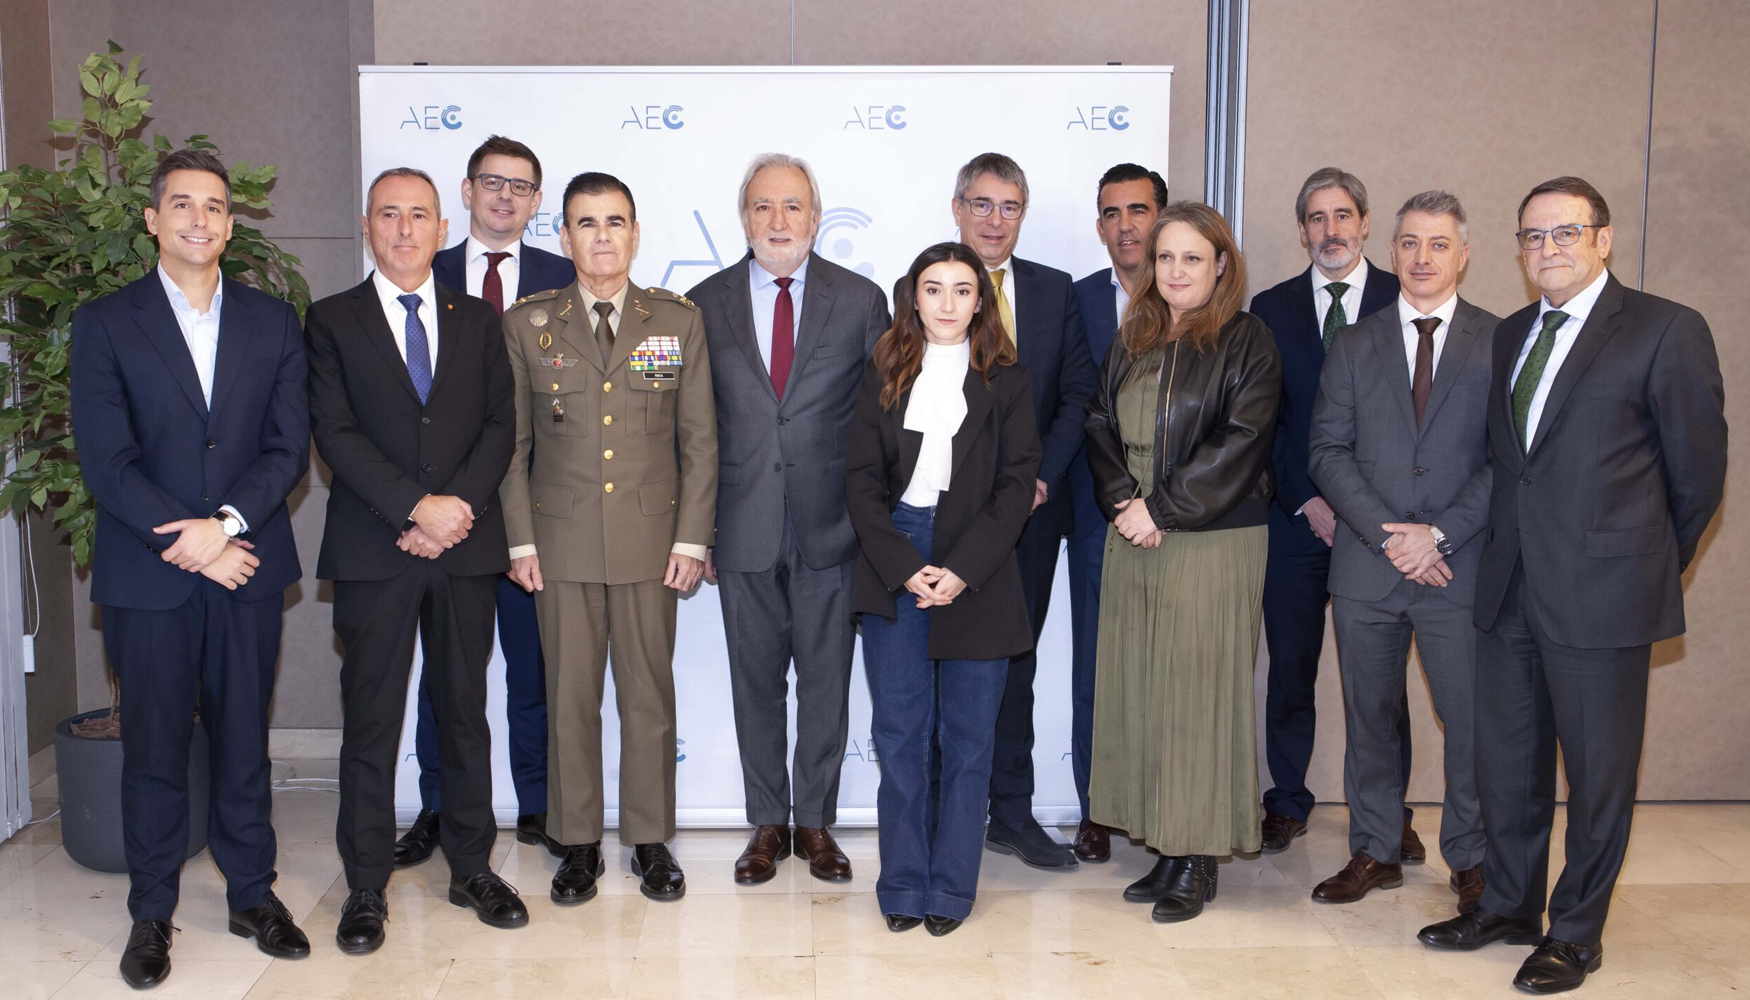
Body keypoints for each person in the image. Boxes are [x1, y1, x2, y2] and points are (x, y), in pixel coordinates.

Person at [1418, 177, 1727, 995]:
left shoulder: (1664, 329)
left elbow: (1698, 474)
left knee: (1597, 776)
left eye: (1564, 233)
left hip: (1604, 593)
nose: (1546, 249)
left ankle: (1577, 932)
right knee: (1508, 766)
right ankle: (1510, 908)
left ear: (1604, 239)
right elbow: (1507, 462)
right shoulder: (1515, 331)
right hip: (1509, 586)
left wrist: (1643, 559)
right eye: (1531, 236)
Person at [71, 149, 312, 988]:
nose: (199, 220)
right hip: (151, 575)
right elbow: (107, 462)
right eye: (181, 205)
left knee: (245, 741)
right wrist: (190, 541)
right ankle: (150, 913)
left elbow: (287, 449)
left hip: (243, 563)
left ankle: (253, 895)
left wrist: (225, 528)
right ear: (152, 220)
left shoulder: (273, 322)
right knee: (155, 750)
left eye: (214, 207)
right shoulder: (105, 322)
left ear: (230, 224)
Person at [306, 167, 526, 954]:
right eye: (389, 215)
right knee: (372, 720)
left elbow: (501, 425)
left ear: (443, 227)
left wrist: (452, 512)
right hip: (376, 548)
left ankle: (472, 866)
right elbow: (334, 433)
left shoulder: (478, 319)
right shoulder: (331, 320)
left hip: (463, 548)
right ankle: (365, 884)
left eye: (419, 216)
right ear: (367, 226)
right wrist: (413, 509)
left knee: (464, 713)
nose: (404, 229)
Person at [499, 172, 717, 905]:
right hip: (558, 543)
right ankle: (578, 842)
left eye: (615, 222)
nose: (601, 236)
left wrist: (691, 539)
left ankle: (651, 841)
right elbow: (513, 446)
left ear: (634, 233)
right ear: (562, 237)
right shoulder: (528, 323)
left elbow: (701, 443)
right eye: (586, 223)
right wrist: (520, 541)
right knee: (568, 698)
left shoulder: (675, 321)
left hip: (653, 542)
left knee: (649, 697)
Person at [686, 153, 891, 885]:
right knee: (756, 684)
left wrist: (879, 534)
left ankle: (817, 825)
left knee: (827, 685)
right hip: (738, 529)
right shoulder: (696, 303)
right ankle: (767, 823)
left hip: (833, 531)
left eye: (793, 207)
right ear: (745, 217)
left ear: (816, 216)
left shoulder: (864, 301)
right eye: (764, 207)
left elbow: (884, 423)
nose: (779, 221)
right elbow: (675, 425)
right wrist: (691, 530)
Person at [1084, 202, 1281, 923]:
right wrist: (1122, 500)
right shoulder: (1133, 333)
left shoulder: (1248, 339)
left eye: (1192, 258)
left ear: (1221, 264)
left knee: (1198, 693)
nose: (1175, 272)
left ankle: (1198, 857)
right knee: (1145, 690)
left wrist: (1159, 508)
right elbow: (1099, 420)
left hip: (1210, 536)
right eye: (1165, 258)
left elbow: (1242, 439)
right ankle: (1167, 843)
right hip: (1134, 532)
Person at [1308, 191, 1499, 912]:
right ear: (1391, 253)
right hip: (1368, 566)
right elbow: (1326, 451)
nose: (1422, 258)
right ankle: (1376, 848)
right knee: (1371, 716)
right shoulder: (1356, 343)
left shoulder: (1499, 340)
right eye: (1410, 244)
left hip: (1459, 566)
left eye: (1438, 244)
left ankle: (1474, 859)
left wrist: (1438, 535)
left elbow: (1508, 460)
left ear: (1464, 253)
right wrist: (1392, 536)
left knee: (1469, 720)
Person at [393, 135, 576, 869]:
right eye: (492, 183)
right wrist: (429, 506)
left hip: (537, 511)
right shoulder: (418, 270)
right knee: (447, 673)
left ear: (537, 203)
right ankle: (439, 805)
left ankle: (538, 804)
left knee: (537, 668)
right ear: (465, 192)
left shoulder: (568, 276)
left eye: (522, 187)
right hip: (449, 512)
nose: (506, 196)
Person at [848, 241, 1041, 937]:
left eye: (964, 290)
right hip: (895, 555)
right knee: (900, 735)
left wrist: (961, 569)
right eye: (935, 289)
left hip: (979, 564)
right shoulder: (884, 371)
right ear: (914, 297)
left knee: (967, 742)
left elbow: (1019, 484)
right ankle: (902, 881)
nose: (949, 303)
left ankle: (952, 888)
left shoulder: (1009, 379)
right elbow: (861, 483)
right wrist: (907, 567)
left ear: (982, 301)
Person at [1250, 167, 1421, 859]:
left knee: (1379, 680)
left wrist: (1363, 511)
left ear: (1366, 222)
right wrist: (1308, 498)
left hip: (1380, 527)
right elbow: (1265, 421)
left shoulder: (1403, 297)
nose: (1332, 230)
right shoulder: (1271, 307)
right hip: (1296, 520)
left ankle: (1389, 813)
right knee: (1291, 669)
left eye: (1344, 215)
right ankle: (1287, 800)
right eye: (1317, 218)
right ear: (1302, 230)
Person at [939, 152, 1095, 871]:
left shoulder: (1053, 291)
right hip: (946, 519)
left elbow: (1074, 398)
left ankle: (1012, 813)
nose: (994, 220)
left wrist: (1035, 480)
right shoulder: (929, 287)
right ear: (958, 207)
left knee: (1016, 664)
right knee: (949, 667)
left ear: (1022, 215)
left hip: (1029, 517)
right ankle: (950, 815)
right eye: (981, 204)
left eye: (1008, 207)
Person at [1067, 162, 1167, 863]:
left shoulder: (1195, 299)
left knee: (1168, 669)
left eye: (1138, 210)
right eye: (1112, 212)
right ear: (1098, 225)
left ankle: (1166, 809)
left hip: (1183, 517)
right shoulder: (1072, 302)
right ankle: (1097, 808)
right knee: (1095, 667)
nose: (1126, 225)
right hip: (1095, 514)